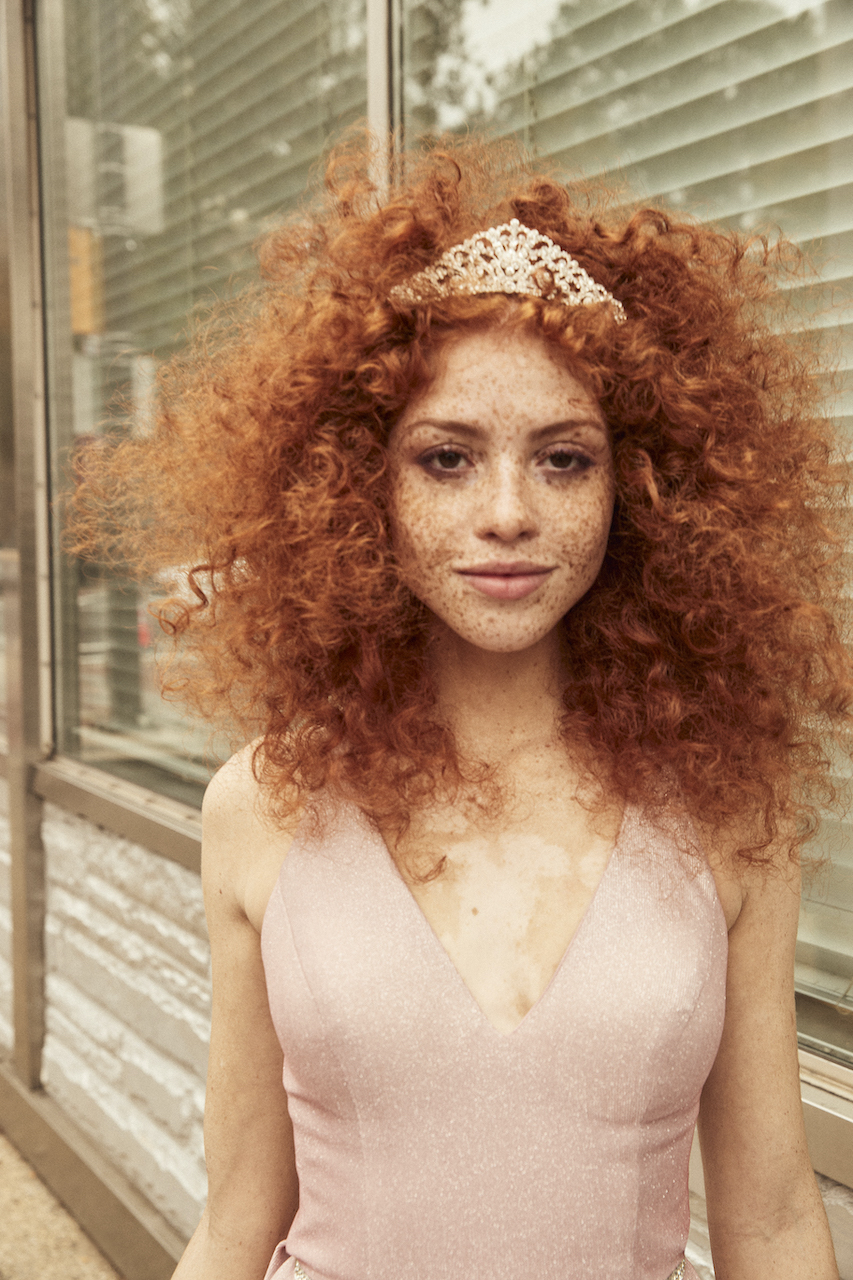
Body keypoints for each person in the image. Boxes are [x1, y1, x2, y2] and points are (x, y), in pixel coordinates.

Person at [70, 135, 850, 1280]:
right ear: (355, 483)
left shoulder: (726, 804)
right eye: (445, 458)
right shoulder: (262, 802)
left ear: (642, 490)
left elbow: (772, 1219)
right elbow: (237, 1221)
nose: (506, 513)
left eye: (564, 460)